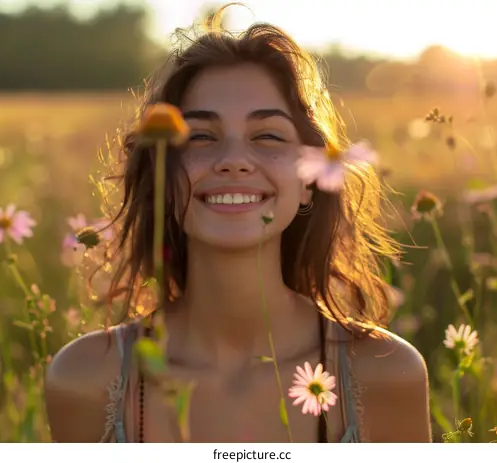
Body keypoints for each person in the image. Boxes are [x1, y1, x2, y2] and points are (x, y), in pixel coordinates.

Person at [44, 6, 431, 443]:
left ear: (310, 179)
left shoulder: (385, 372)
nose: (233, 162)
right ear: (160, 176)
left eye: (268, 136)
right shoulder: (84, 378)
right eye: (200, 138)